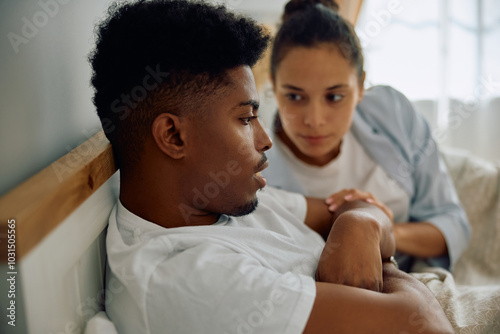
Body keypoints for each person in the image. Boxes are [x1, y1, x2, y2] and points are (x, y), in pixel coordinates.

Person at [89, 0, 453, 333]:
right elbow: (419, 325)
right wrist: (378, 256)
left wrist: (360, 223)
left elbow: (360, 210)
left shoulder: (219, 202)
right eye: (246, 118)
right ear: (173, 135)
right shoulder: (189, 278)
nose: (266, 139)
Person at [263, 0, 471, 272]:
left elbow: (452, 225)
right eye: (294, 96)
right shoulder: (254, 164)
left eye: (335, 96)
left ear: (361, 86)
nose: (314, 120)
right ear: (274, 85)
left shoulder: (392, 112)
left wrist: (379, 228)